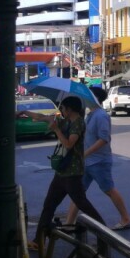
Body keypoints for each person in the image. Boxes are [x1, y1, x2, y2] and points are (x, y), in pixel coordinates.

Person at [23, 96, 104, 249]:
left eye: (63, 108)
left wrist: (55, 130)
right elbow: (43, 117)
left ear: (70, 109)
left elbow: (68, 144)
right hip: (62, 172)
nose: (61, 111)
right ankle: (38, 240)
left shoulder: (78, 123)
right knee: (49, 205)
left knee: (83, 204)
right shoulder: (66, 121)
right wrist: (25, 112)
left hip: (72, 173)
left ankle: (104, 233)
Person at [64, 86, 130, 231]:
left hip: (99, 161)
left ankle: (126, 219)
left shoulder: (101, 115)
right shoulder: (90, 115)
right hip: (87, 162)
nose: (84, 98)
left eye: (87, 96)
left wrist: (86, 153)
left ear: (93, 98)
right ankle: (69, 223)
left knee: (109, 190)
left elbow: (104, 139)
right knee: (78, 192)